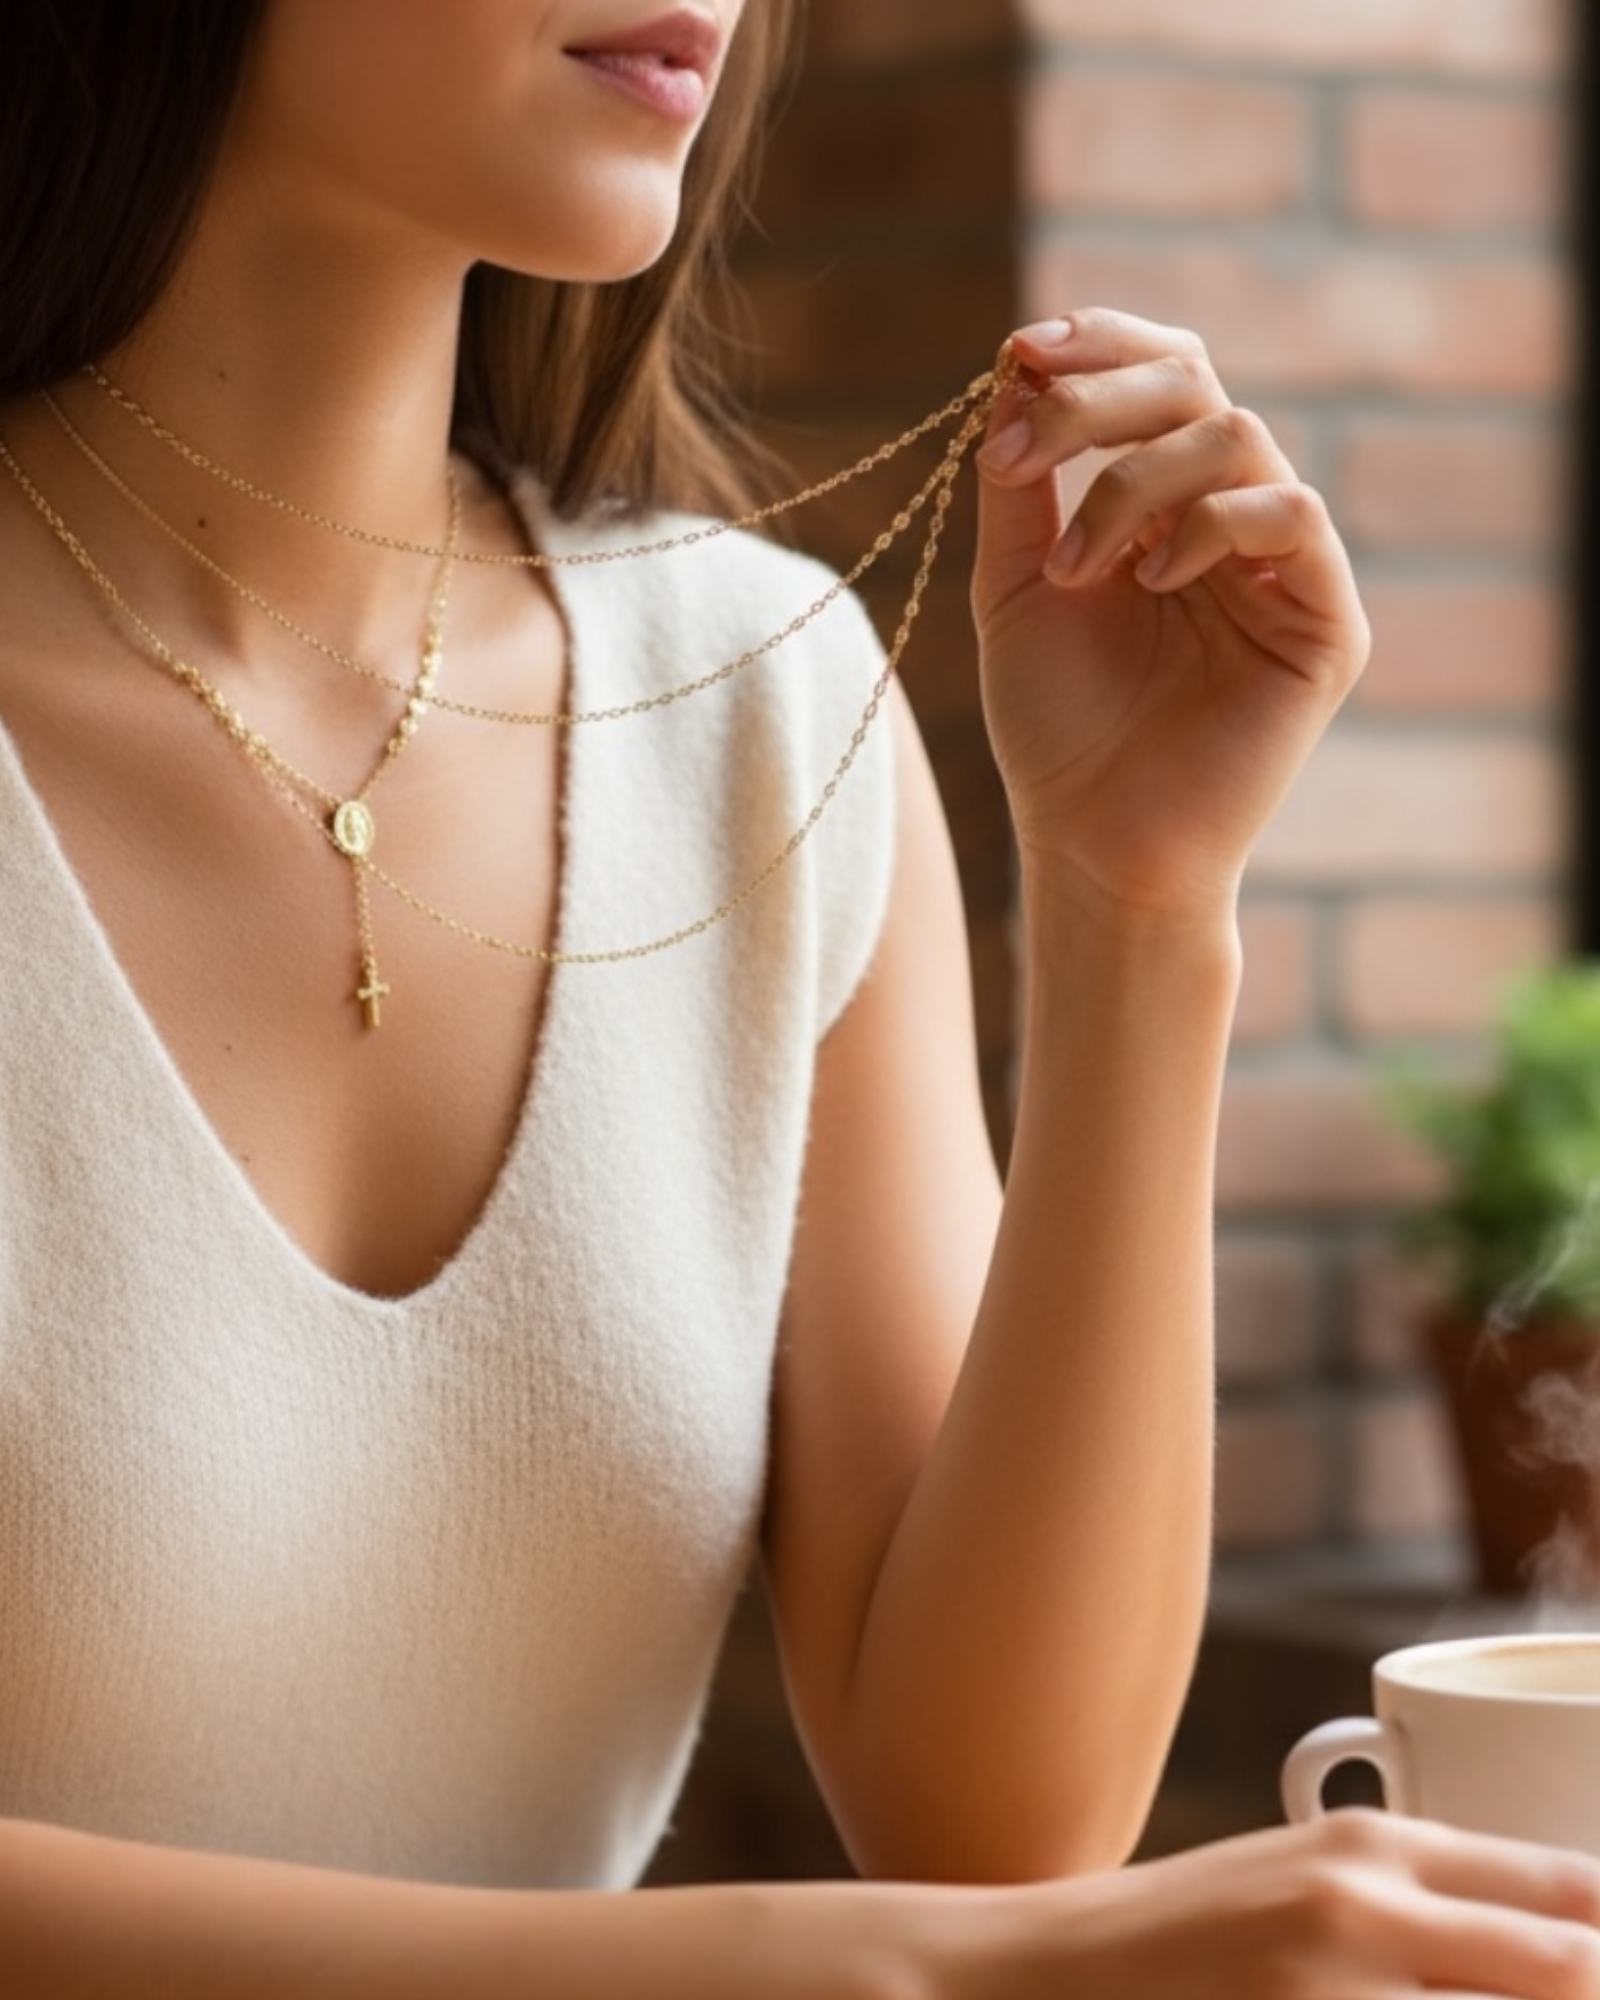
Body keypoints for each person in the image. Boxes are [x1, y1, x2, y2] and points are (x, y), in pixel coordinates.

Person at [1, 3, 1597, 1996]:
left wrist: (1141, 902)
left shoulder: (758, 709)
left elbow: (993, 1823)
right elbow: (953, 1937)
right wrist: (844, 1974)